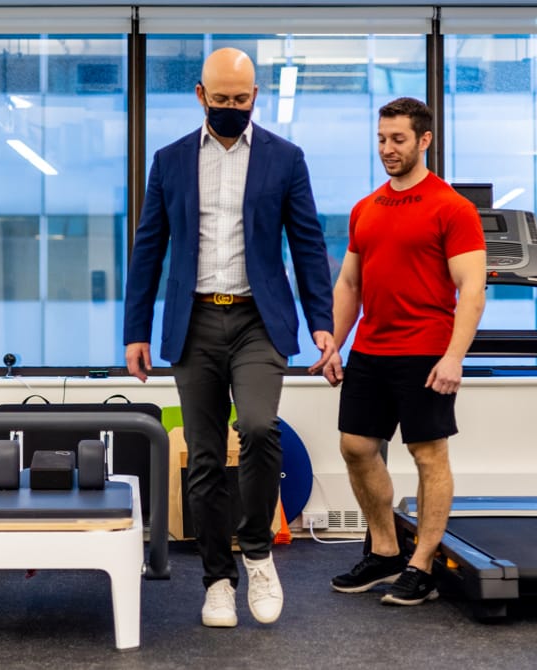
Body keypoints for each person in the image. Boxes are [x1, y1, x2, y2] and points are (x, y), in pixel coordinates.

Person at [124, 47, 335, 627]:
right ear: (200, 97)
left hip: (257, 320)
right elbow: (149, 250)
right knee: (206, 456)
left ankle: (259, 554)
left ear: (255, 97)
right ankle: (218, 578)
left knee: (262, 428)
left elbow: (308, 243)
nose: (231, 109)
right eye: (221, 101)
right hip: (193, 321)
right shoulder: (169, 162)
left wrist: (323, 321)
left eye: (241, 101)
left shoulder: (284, 159)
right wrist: (135, 331)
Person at [321, 97, 486, 606]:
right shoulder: (365, 208)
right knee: (355, 447)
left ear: (424, 141)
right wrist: (335, 342)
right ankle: (387, 549)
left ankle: (423, 564)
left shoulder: (452, 208)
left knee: (428, 455)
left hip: (425, 351)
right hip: (372, 348)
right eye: (381, 139)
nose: (387, 149)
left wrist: (454, 356)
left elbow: (472, 289)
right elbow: (349, 282)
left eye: (398, 139)